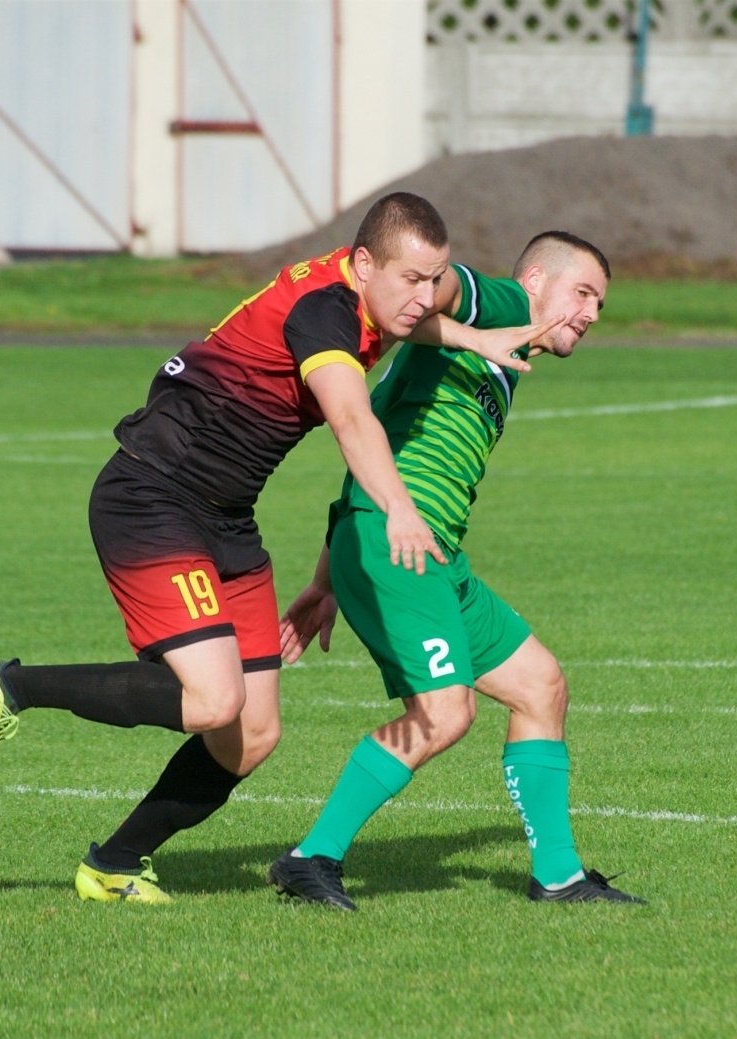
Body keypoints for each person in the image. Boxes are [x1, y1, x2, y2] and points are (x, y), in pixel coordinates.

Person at [0, 193, 497, 905]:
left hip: (226, 517)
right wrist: (399, 508)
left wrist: (467, 336)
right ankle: (9, 685)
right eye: (413, 280)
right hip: (154, 495)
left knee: (251, 734)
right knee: (213, 701)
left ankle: (113, 863)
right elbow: (350, 415)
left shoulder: (369, 297)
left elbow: (408, 319)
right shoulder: (324, 312)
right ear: (363, 263)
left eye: (438, 280)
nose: (424, 297)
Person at [266, 231, 645, 910]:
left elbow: (369, 447)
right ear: (535, 279)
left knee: (540, 685)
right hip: (396, 545)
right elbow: (430, 292)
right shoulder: (500, 303)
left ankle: (557, 876)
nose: (590, 313)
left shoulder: (490, 361)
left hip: (423, 549)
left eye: (600, 305)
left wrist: (324, 582)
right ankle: (311, 857)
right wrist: (440, 296)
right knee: (445, 713)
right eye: (582, 292)